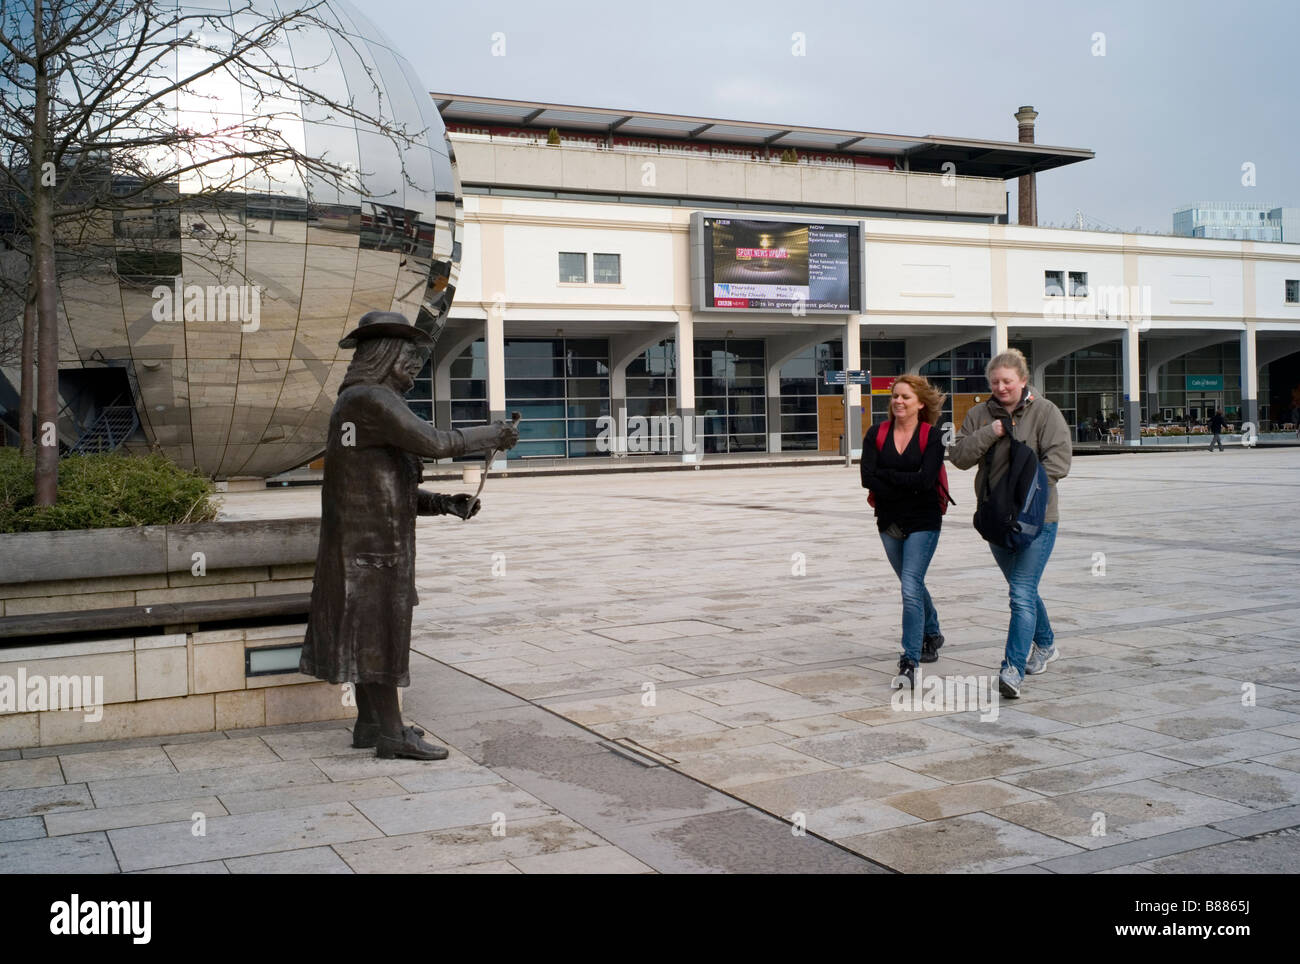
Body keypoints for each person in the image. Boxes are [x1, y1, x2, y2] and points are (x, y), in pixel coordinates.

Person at [300, 311, 520, 761]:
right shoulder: (371, 401)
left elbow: (379, 488)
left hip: (366, 547)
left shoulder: (359, 401)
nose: (414, 364)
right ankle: (393, 735)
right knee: (380, 635)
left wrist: (442, 502)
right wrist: (493, 434)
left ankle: (370, 724)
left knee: (368, 633)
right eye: (407, 356)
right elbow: (437, 443)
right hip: (372, 551)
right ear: (382, 355)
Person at [950, 349, 1072, 699]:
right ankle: (1046, 644)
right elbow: (959, 457)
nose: (1001, 387)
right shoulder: (979, 414)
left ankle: (1012, 670)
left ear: (1022, 380)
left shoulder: (1045, 412)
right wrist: (991, 431)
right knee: (1026, 591)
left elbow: (1059, 461)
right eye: (995, 382)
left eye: (1007, 381)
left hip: (1036, 520)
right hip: (995, 520)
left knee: (1019, 593)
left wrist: (1024, 493)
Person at [860, 374, 949, 689]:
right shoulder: (876, 433)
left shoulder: (933, 437)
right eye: (895, 396)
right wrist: (905, 478)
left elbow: (926, 482)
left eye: (906, 397)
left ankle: (909, 661)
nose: (898, 401)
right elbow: (867, 478)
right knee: (911, 582)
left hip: (924, 520)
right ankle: (933, 630)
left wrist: (889, 476)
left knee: (910, 586)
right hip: (888, 521)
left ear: (920, 403)